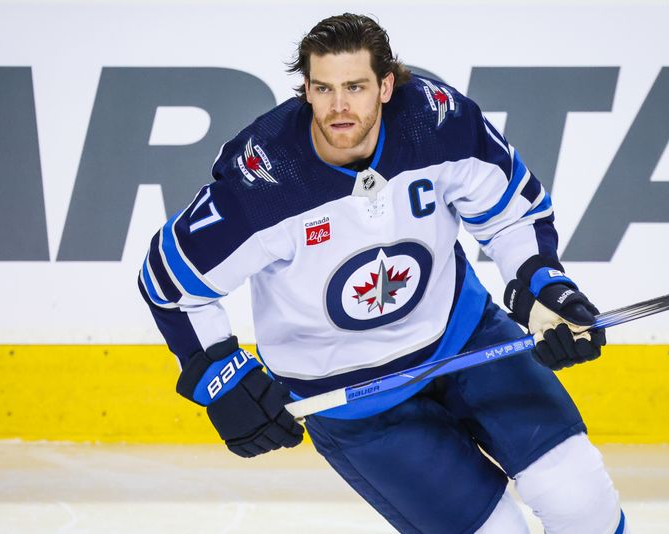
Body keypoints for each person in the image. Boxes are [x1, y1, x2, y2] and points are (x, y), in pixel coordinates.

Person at [138, 13, 628, 534]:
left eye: (355, 86)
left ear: (386, 85)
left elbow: (511, 213)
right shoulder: (263, 183)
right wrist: (221, 376)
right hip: (355, 402)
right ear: (306, 89)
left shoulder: (438, 124)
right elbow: (169, 285)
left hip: (467, 343)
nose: (339, 106)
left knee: (582, 503)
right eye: (323, 88)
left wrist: (543, 289)